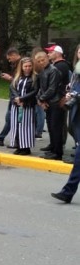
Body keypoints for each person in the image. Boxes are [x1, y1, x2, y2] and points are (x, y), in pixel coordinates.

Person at [51, 47, 80, 202]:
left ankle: (68, 191)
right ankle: (68, 192)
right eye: (79, 50)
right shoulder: (77, 71)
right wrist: (70, 92)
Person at [0, 47, 22, 146]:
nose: (9, 61)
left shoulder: (21, 64)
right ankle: (4, 138)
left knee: (11, 118)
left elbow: (20, 81)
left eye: (10, 58)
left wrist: (10, 78)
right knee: (10, 118)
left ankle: (4, 138)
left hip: (17, 96)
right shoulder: (16, 65)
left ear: (14, 55)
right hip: (14, 95)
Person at [34, 51, 64, 160]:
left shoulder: (53, 70)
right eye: (39, 61)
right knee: (51, 126)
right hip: (48, 102)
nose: (41, 62)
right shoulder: (43, 71)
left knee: (56, 127)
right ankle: (53, 147)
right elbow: (41, 88)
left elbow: (52, 89)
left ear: (47, 58)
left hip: (55, 102)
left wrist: (42, 99)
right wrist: (40, 99)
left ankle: (58, 152)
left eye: (43, 60)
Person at [9, 57, 38, 155]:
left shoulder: (34, 78)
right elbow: (12, 88)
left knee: (26, 126)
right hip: (16, 105)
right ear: (21, 67)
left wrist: (23, 99)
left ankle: (26, 147)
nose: (27, 68)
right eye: (25, 66)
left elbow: (34, 91)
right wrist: (17, 98)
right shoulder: (18, 77)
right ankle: (18, 145)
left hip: (27, 106)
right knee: (16, 125)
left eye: (30, 66)